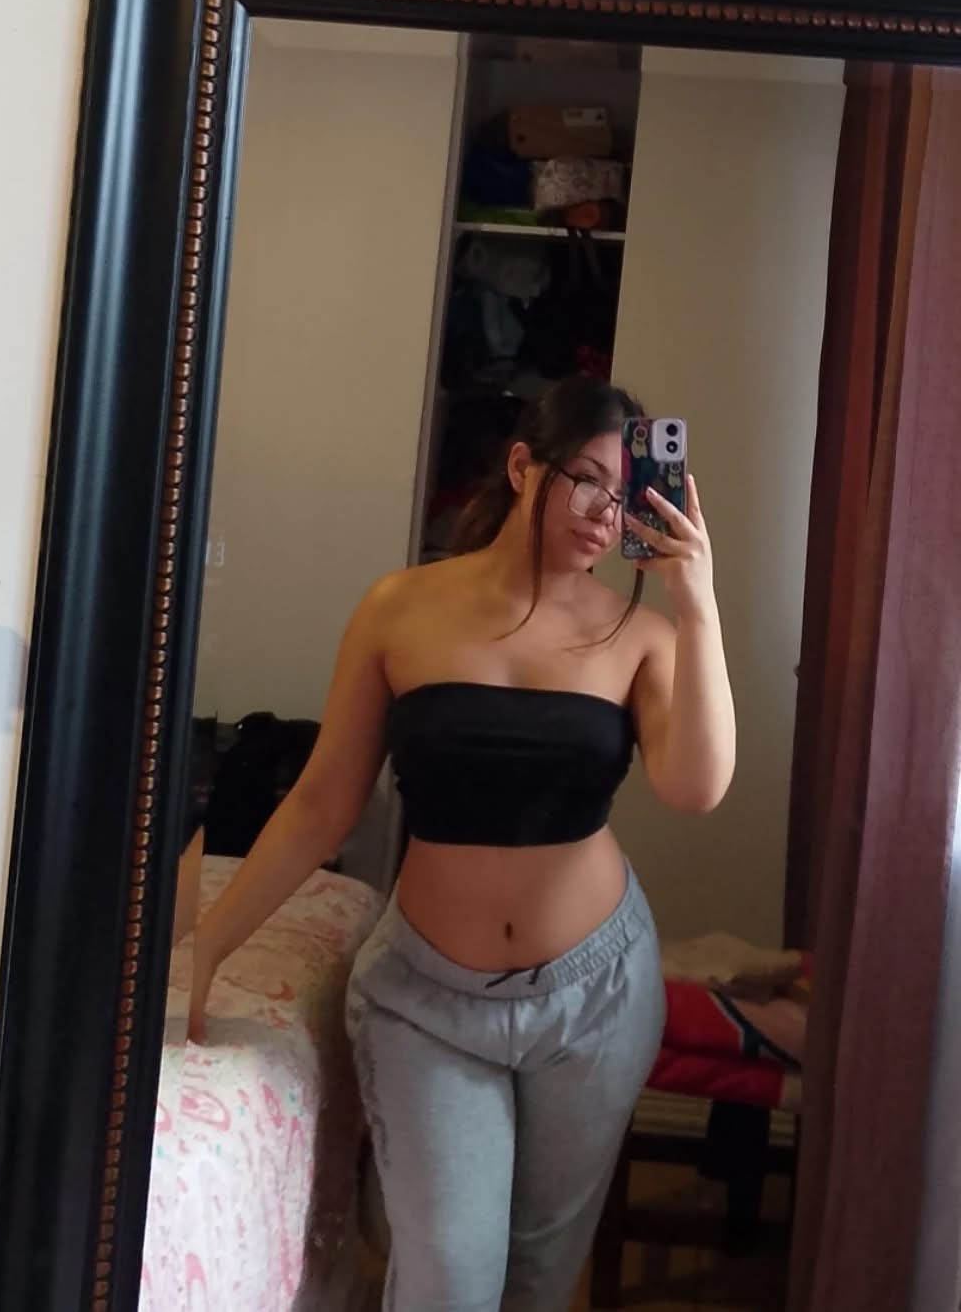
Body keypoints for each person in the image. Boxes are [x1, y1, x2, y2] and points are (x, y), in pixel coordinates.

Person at [187, 375, 735, 1311]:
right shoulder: (399, 609)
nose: (607, 514)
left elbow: (697, 788)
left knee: (539, 1276)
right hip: (427, 999)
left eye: (628, 494)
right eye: (588, 481)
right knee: (449, 1275)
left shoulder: (639, 634)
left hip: (596, 999)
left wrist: (700, 603)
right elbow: (320, 803)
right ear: (524, 467)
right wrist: (207, 946)